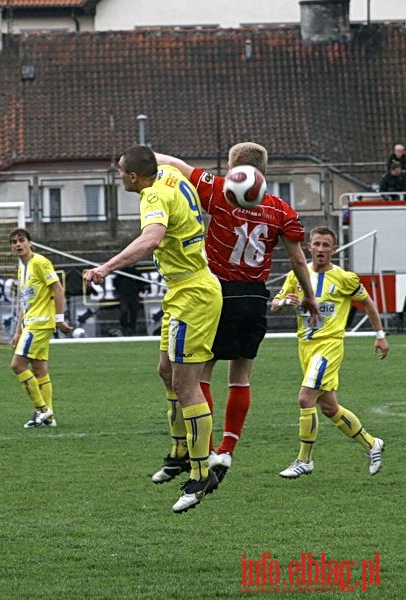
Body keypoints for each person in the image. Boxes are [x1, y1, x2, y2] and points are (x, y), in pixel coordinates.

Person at [152, 143, 319, 483]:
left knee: (199, 377)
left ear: (232, 168)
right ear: (264, 171)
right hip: (255, 297)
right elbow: (298, 259)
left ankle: (207, 450)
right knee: (240, 377)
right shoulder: (281, 209)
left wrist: (142, 157)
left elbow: (176, 163)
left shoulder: (218, 191)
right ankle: (227, 451)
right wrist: (310, 297)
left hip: (216, 294)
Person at [83, 145, 222, 514]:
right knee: (166, 372)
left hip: (193, 292)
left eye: (120, 172)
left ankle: (201, 474)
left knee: (185, 385)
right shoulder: (170, 174)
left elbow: (151, 239)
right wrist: (145, 151)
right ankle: (179, 452)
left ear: (133, 177)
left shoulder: (152, 196)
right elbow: (171, 160)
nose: (118, 177)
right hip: (182, 290)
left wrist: (105, 268)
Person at [271, 226, 389, 479]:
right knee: (328, 407)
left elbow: (368, 303)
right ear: (309, 247)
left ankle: (304, 460)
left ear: (334, 250)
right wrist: (283, 302)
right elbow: (275, 306)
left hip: (329, 346)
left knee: (305, 399)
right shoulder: (296, 276)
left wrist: (380, 336)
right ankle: (371, 444)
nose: (321, 249)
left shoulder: (345, 278)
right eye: (317, 244)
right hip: (305, 347)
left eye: (326, 245)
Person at [10, 228, 72, 428]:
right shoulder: (23, 268)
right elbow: (24, 303)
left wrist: (60, 318)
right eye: (14, 242)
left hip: (40, 323)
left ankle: (42, 410)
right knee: (39, 369)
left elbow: (58, 289)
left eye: (21, 240)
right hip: (31, 323)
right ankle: (48, 419)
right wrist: (18, 331)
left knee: (17, 365)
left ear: (30, 243)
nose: (17, 244)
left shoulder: (40, 262)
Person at [113, 266, 149, 335]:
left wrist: (138, 289)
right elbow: (116, 282)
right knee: (124, 311)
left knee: (134, 312)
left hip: (134, 295)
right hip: (124, 296)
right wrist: (119, 291)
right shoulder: (121, 272)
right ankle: (124, 327)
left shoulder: (135, 272)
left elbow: (142, 281)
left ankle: (132, 328)